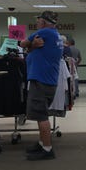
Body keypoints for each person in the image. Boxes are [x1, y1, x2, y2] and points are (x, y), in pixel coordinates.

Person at [20, 11, 63, 161]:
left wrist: (30, 45)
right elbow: (31, 48)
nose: (37, 23)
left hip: (41, 81)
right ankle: (42, 143)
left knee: (41, 115)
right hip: (48, 80)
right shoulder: (56, 35)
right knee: (40, 114)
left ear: (44, 22)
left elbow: (22, 44)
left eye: (38, 20)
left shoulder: (44, 32)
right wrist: (32, 47)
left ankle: (47, 149)